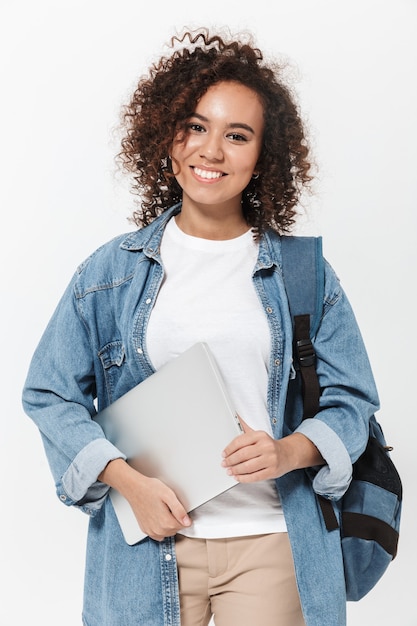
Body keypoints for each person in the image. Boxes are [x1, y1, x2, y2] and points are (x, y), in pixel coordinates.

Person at [22, 28, 379, 626]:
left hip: (271, 541)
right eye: (195, 126)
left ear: (263, 156)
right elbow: (50, 392)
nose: (211, 151)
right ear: (167, 135)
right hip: (147, 545)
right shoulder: (110, 273)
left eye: (237, 135)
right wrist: (129, 483)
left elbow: (353, 401)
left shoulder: (302, 273)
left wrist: (289, 450)